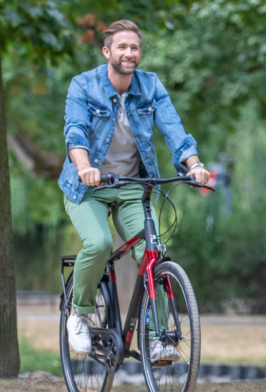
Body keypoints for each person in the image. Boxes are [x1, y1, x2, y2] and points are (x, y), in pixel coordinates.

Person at [60, 20, 210, 361]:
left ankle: (157, 338)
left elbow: (174, 129)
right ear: (107, 51)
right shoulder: (84, 85)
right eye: (122, 47)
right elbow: (76, 131)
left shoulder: (150, 85)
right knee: (97, 243)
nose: (130, 53)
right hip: (88, 188)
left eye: (135, 48)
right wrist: (84, 167)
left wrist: (194, 164)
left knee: (151, 252)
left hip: (131, 186)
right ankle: (79, 314)